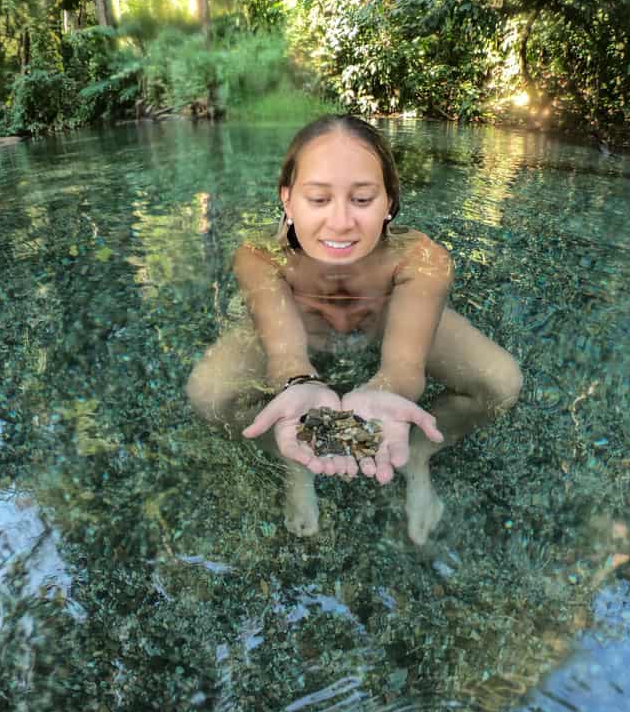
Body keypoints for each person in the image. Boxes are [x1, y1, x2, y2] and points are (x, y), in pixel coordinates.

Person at [187, 115, 522, 545]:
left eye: (362, 199)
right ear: (287, 201)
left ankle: (418, 453)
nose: (341, 222)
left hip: (387, 317)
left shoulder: (421, 258)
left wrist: (386, 389)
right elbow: (285, 355)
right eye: (318, 199)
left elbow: (404, 364)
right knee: (208, 393)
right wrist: (298, 383)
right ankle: (292, 459)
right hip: (298, 324)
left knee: (500, 383)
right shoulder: (260, 256)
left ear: (389, 203)